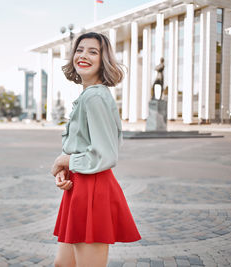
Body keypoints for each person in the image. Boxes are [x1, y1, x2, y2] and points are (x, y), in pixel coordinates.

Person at [51, 32, 141, 267]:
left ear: (104, 60)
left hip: (92, 189)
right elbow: (84, 146)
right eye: (80, 50)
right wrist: (65, 164)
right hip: (79, 185)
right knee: (63, 264)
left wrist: (66, 161)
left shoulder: (95, 98)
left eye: (93, 51)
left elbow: (105, 154)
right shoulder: (89, 95)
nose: (83, 55)